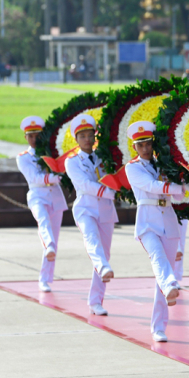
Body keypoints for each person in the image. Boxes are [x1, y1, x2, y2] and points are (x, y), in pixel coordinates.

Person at [125, 121, 187, 342]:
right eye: (140, 145)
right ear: (134, 147)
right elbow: (151, 186)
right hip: (147, 222)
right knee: (158, 259)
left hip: (168, 219)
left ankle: (159, 326)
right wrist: (177, 188)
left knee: (163, 271)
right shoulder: (132, 167)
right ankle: (170, 283)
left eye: (148, 143)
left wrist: (188, 186)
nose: (145, 148)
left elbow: (178, 194)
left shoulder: (164, 164)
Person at [64, 114, 118, 316]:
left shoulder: (105, 157)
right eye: (82, 136)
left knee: (105, 251)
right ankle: (102, 266)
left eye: (90, 135)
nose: (87, 139)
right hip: (85, 208)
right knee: (92, 240)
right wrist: (109, 192)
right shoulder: (72, 162)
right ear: (76, 139)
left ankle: (95, 301)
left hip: (105, 210)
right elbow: (84, 185)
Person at [16, 116, 69, 292]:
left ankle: (45, 279)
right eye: (30, 136)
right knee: (43, 222)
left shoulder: (52, 153)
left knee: (55, 236)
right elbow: (33, 178)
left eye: (37, 135)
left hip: (55, 196)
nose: (34, 139)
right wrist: (54, 177)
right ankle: (49, 245)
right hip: (38, 196)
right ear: (25, 137)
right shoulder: (23, 157)